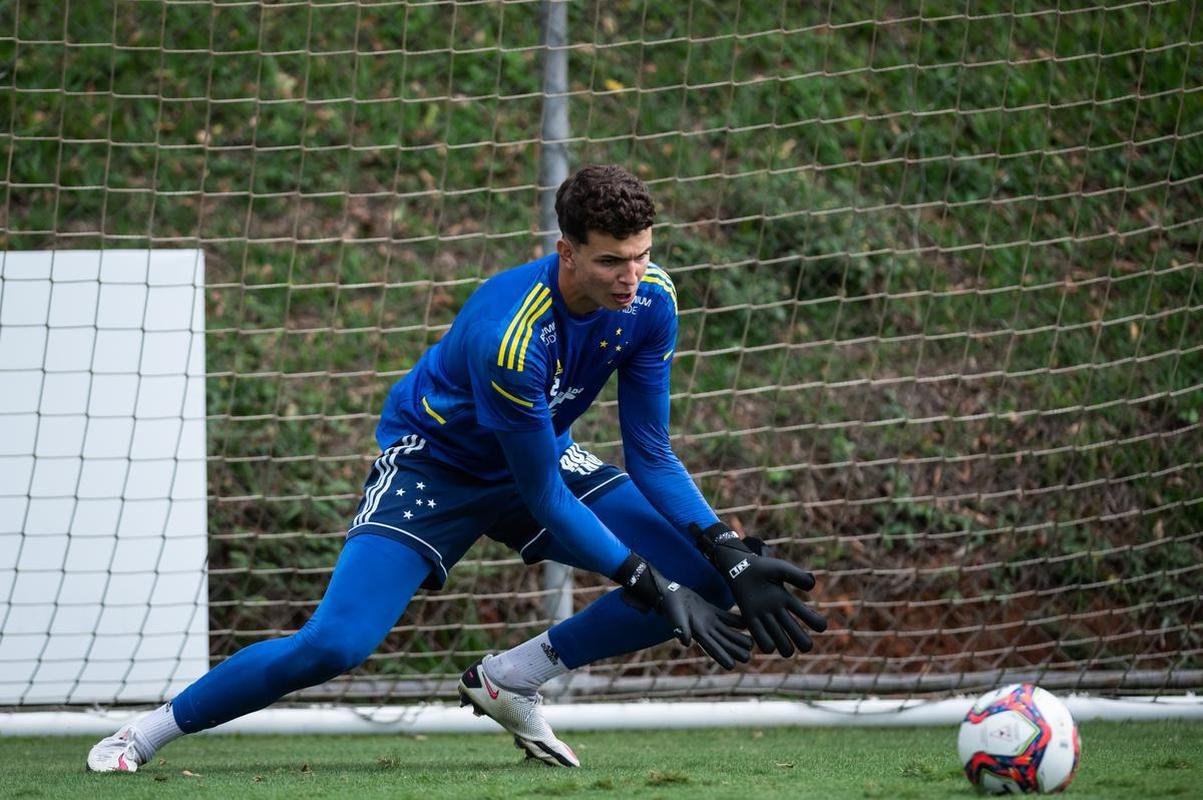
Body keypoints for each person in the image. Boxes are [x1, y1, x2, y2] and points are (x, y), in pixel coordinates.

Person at [86, 164, 826, 772]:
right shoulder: (513, 336)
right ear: (566, 251)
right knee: (336, 644)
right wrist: (642, 581)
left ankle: (511, 677)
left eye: (639, 255)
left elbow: (653, 453)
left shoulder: (650, 300)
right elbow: (541, 496)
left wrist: (721, 545)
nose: (630, 275)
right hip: (437, 467)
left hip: (535, 451)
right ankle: (146, 734)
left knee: (700, 569)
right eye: (609, 260)